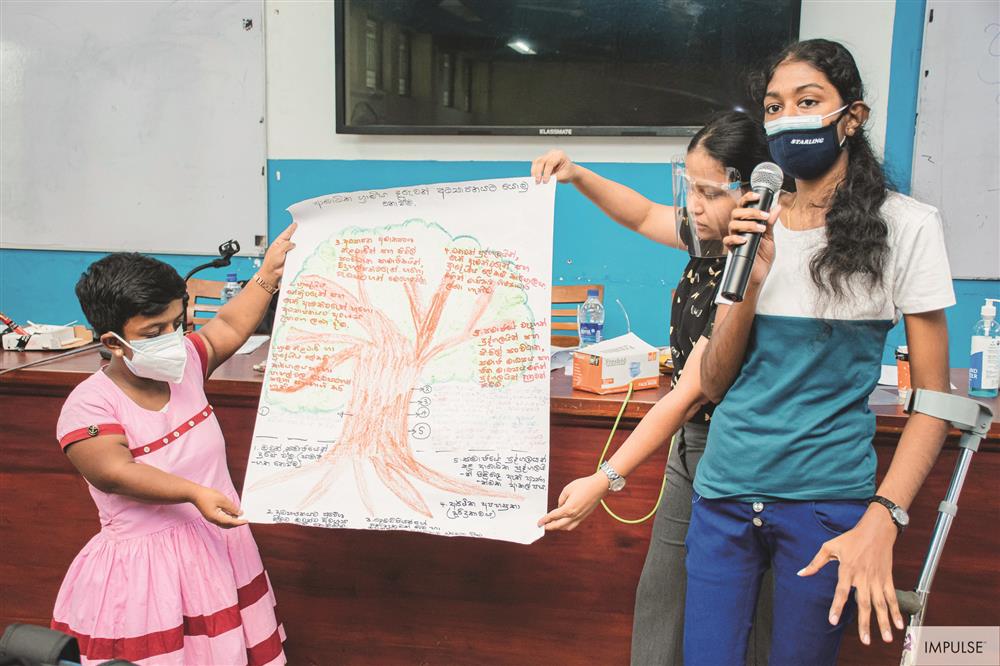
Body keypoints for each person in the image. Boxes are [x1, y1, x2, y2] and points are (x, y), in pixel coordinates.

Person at [687, 39, 954, 665]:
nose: (788, 119)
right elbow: (716, 383)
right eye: (774, 107)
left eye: (809, 102)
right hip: (723, 493)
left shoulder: (907, 226)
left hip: (826, 505)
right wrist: (748, 288)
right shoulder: (753, 221)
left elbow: (936, 401)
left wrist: (883, 517)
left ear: (851, 117)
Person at [532, 111, 772, 665]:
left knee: (737, 618)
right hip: (687, 450)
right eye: (689, 186)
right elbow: (641, 214)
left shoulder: (751, 270)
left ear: (755, 192)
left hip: (734, 459)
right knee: (660, 599)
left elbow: (690, 391)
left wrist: (605, 478)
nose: (694, 205)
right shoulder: (707, 238)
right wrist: (577, 174)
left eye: (710, 192)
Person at [51, 224, 298, 665]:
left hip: (217, 551)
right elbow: (113, 471)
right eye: (153, 332)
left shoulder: (184, 365)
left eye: (175, 324)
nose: (172, 339)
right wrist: (193, 493)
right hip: (149, 575)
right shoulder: (90, 404)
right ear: (113, 343)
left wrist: (268, 274)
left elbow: (228, 324)